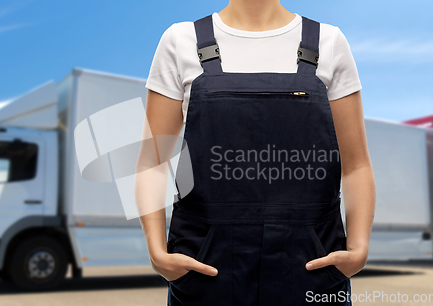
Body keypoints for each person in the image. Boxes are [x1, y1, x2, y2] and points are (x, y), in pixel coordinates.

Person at [137, 1, 376, 305]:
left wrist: (359, 248)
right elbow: (152, 162)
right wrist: (157, 253)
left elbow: (356, 164)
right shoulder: (180, 40)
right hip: (207, 270)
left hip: (312, 267)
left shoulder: (329, 43)